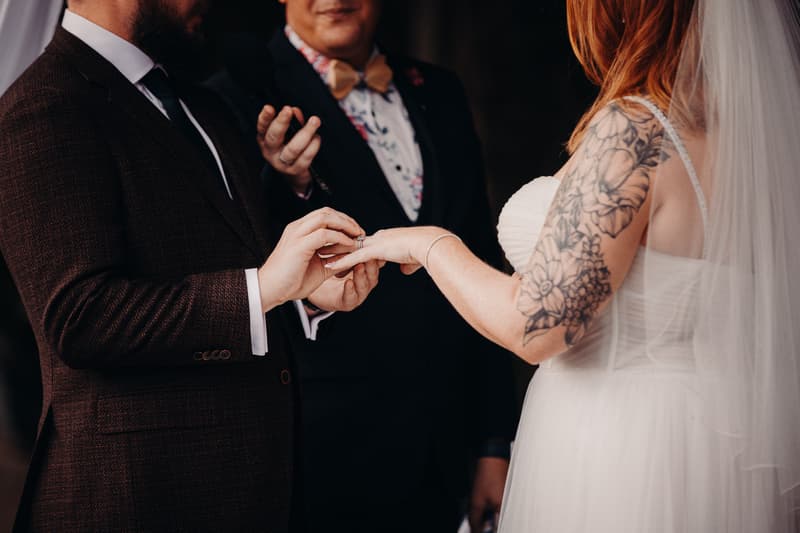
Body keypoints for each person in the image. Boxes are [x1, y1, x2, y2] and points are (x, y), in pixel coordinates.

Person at [327, 0, 800, 530]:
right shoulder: (753, 137)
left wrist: (430, 245)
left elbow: (537, 326)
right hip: (716, 440)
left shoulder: (636, 131)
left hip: (623, 442)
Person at [0, 0, 382, 530]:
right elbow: (81, 317)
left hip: (255, 491)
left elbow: (231, 253)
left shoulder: (205, 106)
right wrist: (266, 289)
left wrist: (308, 288)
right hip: (137, 498)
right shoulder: (43, 106)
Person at [208, 1, 518, 530]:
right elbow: (233, 265)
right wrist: (287, 184)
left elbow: (479, 258)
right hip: (323, 449)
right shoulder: (233, 93)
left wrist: (494, 441)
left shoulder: (439, 90)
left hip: (445, 442)